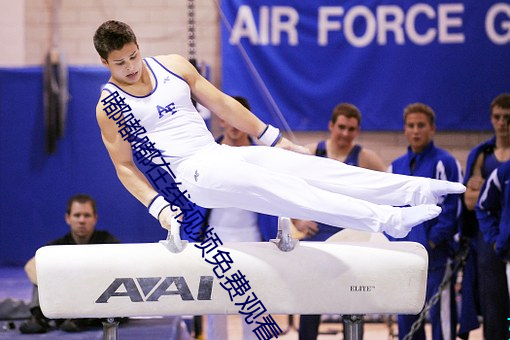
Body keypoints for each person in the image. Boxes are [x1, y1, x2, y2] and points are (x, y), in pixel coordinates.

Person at [93, 20, 464, 250]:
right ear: (105, 63)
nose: (130, 68)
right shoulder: (110, 105)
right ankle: (386, 220)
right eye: (120, 63)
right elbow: (124, 167)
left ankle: (412, 190)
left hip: (217, 155)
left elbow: (223, 103)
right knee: (284, 190)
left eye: (133, 56)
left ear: (139, 46)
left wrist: (272, 138)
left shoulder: (172, 65)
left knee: (310, 168)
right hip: (190, 176)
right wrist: (159, 208)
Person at [296, 102, 386, 340]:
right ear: (331, 126)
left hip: (351, 239)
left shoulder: (366, 158)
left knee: (353, 300)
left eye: (351, 129)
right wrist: (297, 220)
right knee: (310, 302)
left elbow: (389, 191)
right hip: (317, 235)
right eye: (342, 127)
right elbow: (285, 189)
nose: (346, 134)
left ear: (357, 131)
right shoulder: (311, 152)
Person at [204, 96, 277, 340]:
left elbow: (277, 198)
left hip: (254, 239)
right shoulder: (207, 153)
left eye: (239, 120)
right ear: (221, 120)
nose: (234, 126)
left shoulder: (262, 159)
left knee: (256, 310)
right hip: (214, 239)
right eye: (229, 119)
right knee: (215, 309)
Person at [387, 103, 462, 340]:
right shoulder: (395, 167)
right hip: (405, 259)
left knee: (442, 320)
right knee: (407, 321)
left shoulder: (445, 163)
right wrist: (395, 243)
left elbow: (452, 209)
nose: (416, 131)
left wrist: (432, 241)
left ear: (432, 129)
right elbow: (388, 209)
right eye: (411, 126)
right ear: (405, 130)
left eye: (421, 125)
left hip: (436, 257)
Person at [19, 194, 120, 334]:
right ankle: (38, 318)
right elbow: (30, 266)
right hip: (65, 297)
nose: (82, 220)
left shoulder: (108, 242)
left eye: (87, 215)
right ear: (68, 218)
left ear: (95, 218)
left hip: (96, 301)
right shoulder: (57, 246)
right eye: (77, 215)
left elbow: (118, 270)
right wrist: (60, 283)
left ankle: (80, 319)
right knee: (42, 270)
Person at [460, 93, 510, 340]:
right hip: (489, 238)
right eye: (497, 117)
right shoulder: (482, 154)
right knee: (493, 304)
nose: (502, 123)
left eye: (507, 118)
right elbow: (469, 202)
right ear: (491, 119)